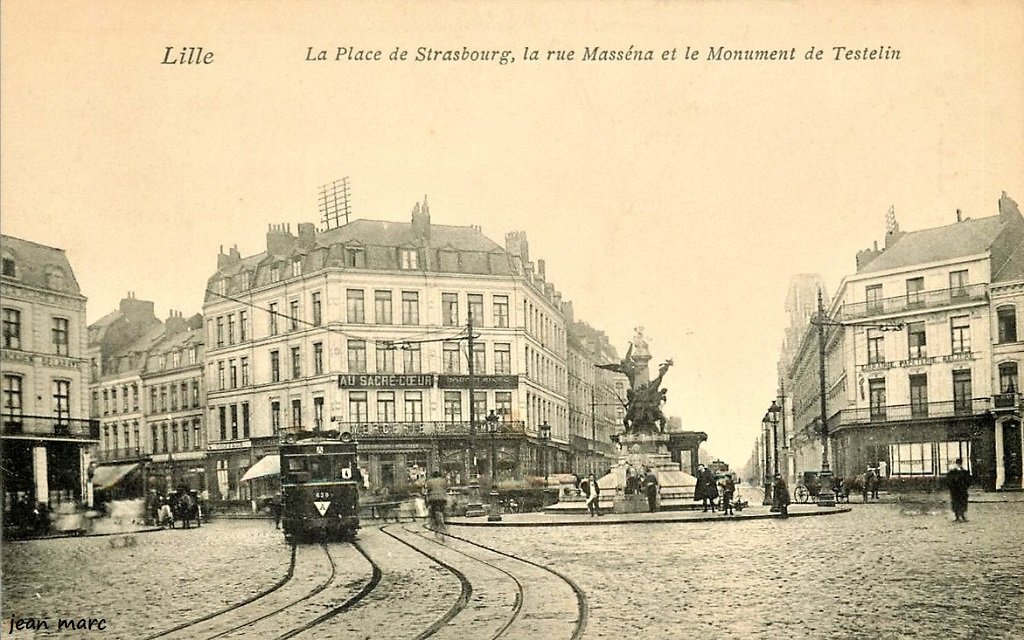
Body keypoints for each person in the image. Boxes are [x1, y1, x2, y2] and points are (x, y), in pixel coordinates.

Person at [947, 458, 970, 523]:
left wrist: (965, 487)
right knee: (956, 503)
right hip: (955, 491)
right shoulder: (952, 472)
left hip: (962, 491)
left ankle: (962, 516)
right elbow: (949, 482)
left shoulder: (964, 472)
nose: (959, 465)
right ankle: (957, 516)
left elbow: (968, 481)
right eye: (958, 463)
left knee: (962, 503)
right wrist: (952, 488)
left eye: (959, 463)